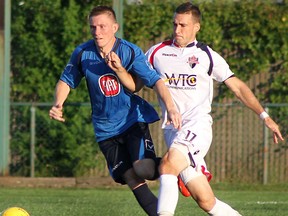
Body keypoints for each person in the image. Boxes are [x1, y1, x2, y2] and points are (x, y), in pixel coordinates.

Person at [145, 2, 284, 216]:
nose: (177, 30)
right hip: (172, 132)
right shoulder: (156, 53)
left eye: (183, 25)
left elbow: (237, 87)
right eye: (175, 24)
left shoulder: (206, 55)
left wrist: (264, 116)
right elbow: (135, 81)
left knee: (167, 165)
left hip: (197, 128)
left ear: (196, 27)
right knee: (206, 200)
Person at [49, 6, 181, 216]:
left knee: (143, 169)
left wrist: (171, 107)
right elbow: (66, 81)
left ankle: (178, 168)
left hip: (131, 120)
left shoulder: (129, 51)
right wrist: (58, 104)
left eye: (102, 26)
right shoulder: (83, 53)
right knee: (130, 176)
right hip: (104, 129)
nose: (97, 32)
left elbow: (155, 80)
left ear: (115, 27)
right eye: (93, 27)